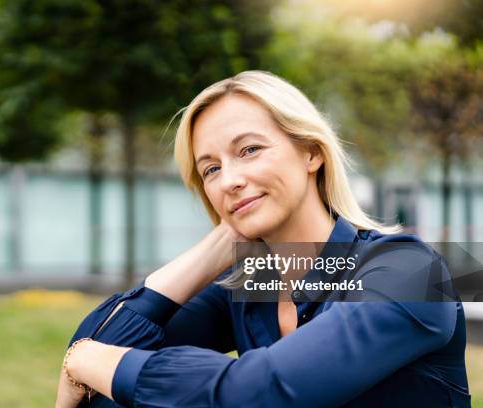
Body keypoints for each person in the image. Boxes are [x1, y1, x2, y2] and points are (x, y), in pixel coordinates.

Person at [55, 71, 470, 407]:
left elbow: (262, 391)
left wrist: (86, 360)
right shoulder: (251, 286)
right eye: (211, 169)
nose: (231, 180)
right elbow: (104, 346)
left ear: (311, 152)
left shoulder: (411, 271)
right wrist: (217, 247)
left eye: (250, 150)